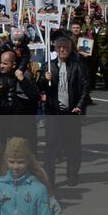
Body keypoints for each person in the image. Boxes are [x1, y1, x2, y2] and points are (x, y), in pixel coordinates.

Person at [42, 36, 90, 188]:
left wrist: (80, 106)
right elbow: (39, 88)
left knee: (73, 145)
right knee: (50, 146)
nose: (62, 50)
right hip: (53, 112)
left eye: (65, 47)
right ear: (55, 49)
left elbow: (85, 88)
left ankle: (72, 174)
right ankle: (49, 178)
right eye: (59, 47)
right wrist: (44, 79)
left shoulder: (77, 66)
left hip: (71, 112)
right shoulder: (48, 66)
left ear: (70, 49)